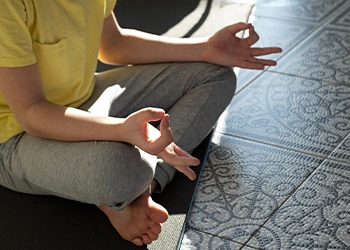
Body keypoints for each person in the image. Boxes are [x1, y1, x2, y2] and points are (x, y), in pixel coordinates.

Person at [0, 0, 282, 246]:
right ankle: (129, 185)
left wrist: (205, 48)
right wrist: (119, 130)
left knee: (215, 75)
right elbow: (31, 112)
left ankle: (142, 190)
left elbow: (114, 45)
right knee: (115, 167)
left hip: (87, 95)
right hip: (17, 136)